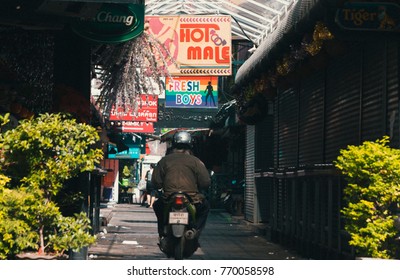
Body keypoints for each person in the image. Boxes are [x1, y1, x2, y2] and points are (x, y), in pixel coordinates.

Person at [152, 131, 211, 239]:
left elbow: (156, 182)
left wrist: (159, 188)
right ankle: (195, 229)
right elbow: (205, 182)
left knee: (157, 206)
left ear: (173, 144)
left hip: (168, 197)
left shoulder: (164, 161)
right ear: (190, 145)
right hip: (192, 198)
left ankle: (162, 231)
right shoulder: (196, 161)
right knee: (205, 207)